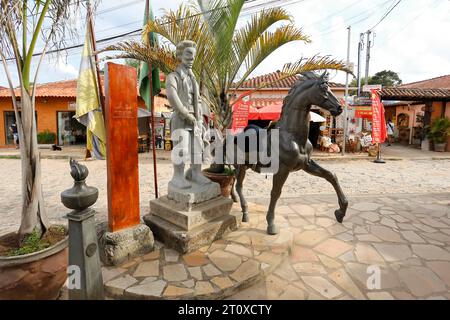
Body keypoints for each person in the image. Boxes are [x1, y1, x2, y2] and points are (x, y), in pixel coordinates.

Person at [166, 40, 212, 189]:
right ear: (180, 55)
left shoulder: (193, 78)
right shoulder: (173, 77)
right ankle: (178, 177)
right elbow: (173, 98)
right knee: (182, 149)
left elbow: (198, 100)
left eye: (193, 57)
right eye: (188, 55)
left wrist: (200, 119)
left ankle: (195, 173)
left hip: (196, 119)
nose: (191, 59)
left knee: (197, 149)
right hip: (181, 118)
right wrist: (186, 114)